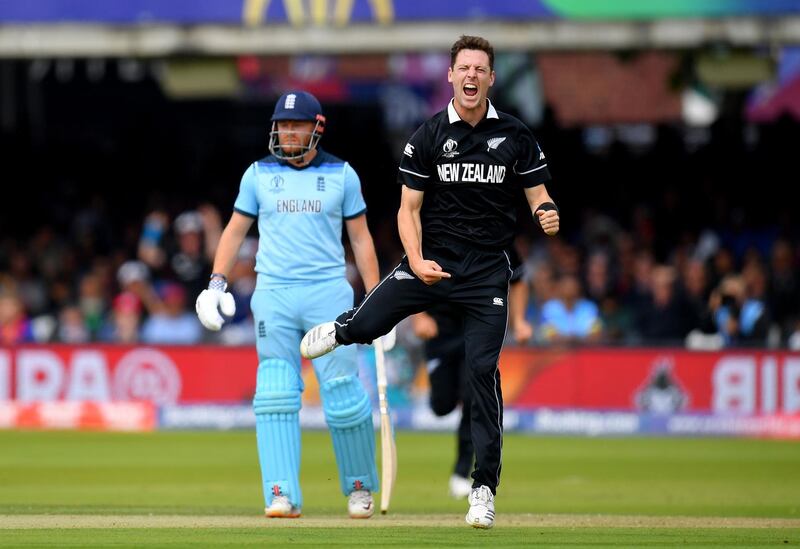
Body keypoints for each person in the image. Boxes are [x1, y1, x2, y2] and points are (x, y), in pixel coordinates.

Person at [300, 35, 560, 529]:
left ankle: (482, 489)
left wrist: (547, 212)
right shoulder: (427, 135)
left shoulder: (516, 136)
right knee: (372, 320)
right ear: (450, 75)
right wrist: (416, 261)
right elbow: (407, 210)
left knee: (483, 375)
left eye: (480, 69)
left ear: (490, 78)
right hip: (433, 262)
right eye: (463, 67)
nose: (471, 76)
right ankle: (341, 330)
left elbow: (539, 195)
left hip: (487, 271)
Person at [195, 90, 381, 519]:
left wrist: (376, 302)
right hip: (274, 293)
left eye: (296, 124)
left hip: (328, 293)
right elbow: (234, 230)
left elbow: (361, 239)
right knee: (275, 393)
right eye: (282, 124)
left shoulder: (342, 175)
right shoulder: (257, 174)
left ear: (316, 128)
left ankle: (358, 487)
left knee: (343, 394)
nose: (287, 131)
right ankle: (281, 494)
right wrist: (216, 284)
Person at [411, 249, 529, 502]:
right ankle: (460, 470)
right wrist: (419, 317)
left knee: (473, 394)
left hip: (476, 329)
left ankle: (461, 473)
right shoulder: (438, 234)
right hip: (439, 333)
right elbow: (411, 275)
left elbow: (517, 280)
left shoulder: (501, 239)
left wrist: (519, 321)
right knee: (441, 406)